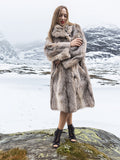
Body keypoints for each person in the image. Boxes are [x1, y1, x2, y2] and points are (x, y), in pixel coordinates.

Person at [44, 5, 95, 148]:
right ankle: (70, 128)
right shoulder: (52, 34)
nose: (63, 18)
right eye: (60, 15)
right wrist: (69, 44)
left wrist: (61, 57)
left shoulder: (76, 29)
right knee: (67, 103)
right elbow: (48, 52)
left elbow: (80, 52)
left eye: (65, 15)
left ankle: (58, 132)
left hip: (74, 73)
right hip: (59, 76)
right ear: (56, 16)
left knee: (68, 104)